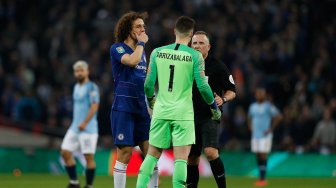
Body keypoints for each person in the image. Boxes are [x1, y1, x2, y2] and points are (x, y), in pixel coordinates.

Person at [136, 16, 222, 188]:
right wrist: (213, 107)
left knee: (152, 154)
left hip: (161, 110)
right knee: (181, 159)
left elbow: (148, 85)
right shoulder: (195, 56)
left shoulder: (157, 53)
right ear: (191, 34)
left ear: (174, 31)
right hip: (183, 113)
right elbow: (204, 88)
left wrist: (152, 100)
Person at [109, 11, 158, 188]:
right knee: (125, 153)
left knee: (151, 154)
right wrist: (142, 43)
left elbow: (145, 81)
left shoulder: (143, 53)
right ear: (128, 29)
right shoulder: (118, 48)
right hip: (124, 108)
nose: (142, 29)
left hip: (141, 109)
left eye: (143, 27)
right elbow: (131, 61)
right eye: (138, 26)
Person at [186, 31, 236, 188]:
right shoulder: (186, 64)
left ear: (209, 46)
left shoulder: (218, 66)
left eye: (201, 43)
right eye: (195, 43)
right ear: (190, 46)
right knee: (191, 157)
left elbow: (232, 90)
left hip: (209, 116)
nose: (198, 46)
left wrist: (224, 99)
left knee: (210, 152)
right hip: (188, 117)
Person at [61, 60, 100, 188]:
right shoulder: (76, 87)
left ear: (87, 71)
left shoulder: (92, 87)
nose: (79, 73)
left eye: (81, 70)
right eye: (77, 71)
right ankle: (74, 182)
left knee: (88, 157)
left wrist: (84, 122)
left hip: (88, 129)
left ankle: (89, 185)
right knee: (65, 152)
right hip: (75, 127)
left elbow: (94, 106)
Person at [247, 87, 282, 187]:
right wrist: (250, 128)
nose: (259, 95)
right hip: (255, 135)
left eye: (261, 93)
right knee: (258, 155)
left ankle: (263, 178)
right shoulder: (252, 106)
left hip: (265, 135)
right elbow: (249, 118)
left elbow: (279, 116)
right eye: (258, 93)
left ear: (264, 95)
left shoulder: (268, 106)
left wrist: (271, 128)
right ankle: (261, 177)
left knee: (263, 154)